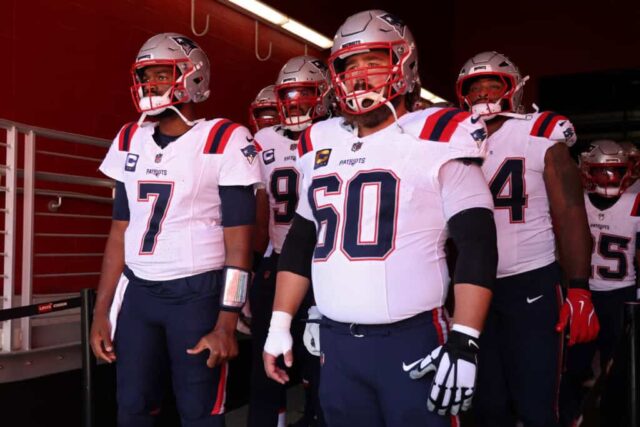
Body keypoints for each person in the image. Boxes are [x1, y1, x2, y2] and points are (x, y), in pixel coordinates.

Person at [263, 10, 498, 427]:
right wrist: (280, 323)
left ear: (404, 64)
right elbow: (302, 242)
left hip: (411, 341)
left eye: (372, 61)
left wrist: (465, 339)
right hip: (337, 345)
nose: (359, 76)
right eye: (348, 65)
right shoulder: (319, 140)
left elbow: (478, 243)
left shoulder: (437, 133)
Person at [89, 32, 261, 427]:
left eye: (161, 75)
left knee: (200, 412)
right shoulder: (129, 137)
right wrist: (102, 311)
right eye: (145, 75)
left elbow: (239, 243)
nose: (150, 84)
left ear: (192, 78)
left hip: (196, 293)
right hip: (139, 293)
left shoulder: (224, 138)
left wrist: (226, 321)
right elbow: (120, 231)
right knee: (131, 406)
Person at [455, 50, 599, 427]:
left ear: (514, 89)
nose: (484, 94)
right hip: (474, 284)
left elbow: (569, 212)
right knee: (485, 405)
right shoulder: (452, 139)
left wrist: (580, 287)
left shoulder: (539, 132)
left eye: (493, 85)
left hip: (531, 282)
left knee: (537, 403)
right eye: (476, 88)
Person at [248, 55, 333, 427]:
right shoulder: (262, 140)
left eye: (305, 95)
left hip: (326, 266)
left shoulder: (338, 133)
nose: (296, 104)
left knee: (321, 363)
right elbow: (259, 212)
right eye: (290, 96)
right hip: (280, 258)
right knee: (267, 360)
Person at [559, 140, 640, 426]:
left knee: (619, 368)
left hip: (622, 296)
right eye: (602, 172)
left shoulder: (635, 201)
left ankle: (610, 415)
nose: (609, 179)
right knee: (573, 364)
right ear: (587, 172)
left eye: (616, 172)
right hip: (585, 294)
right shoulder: (574, 199)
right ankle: (570, 414)